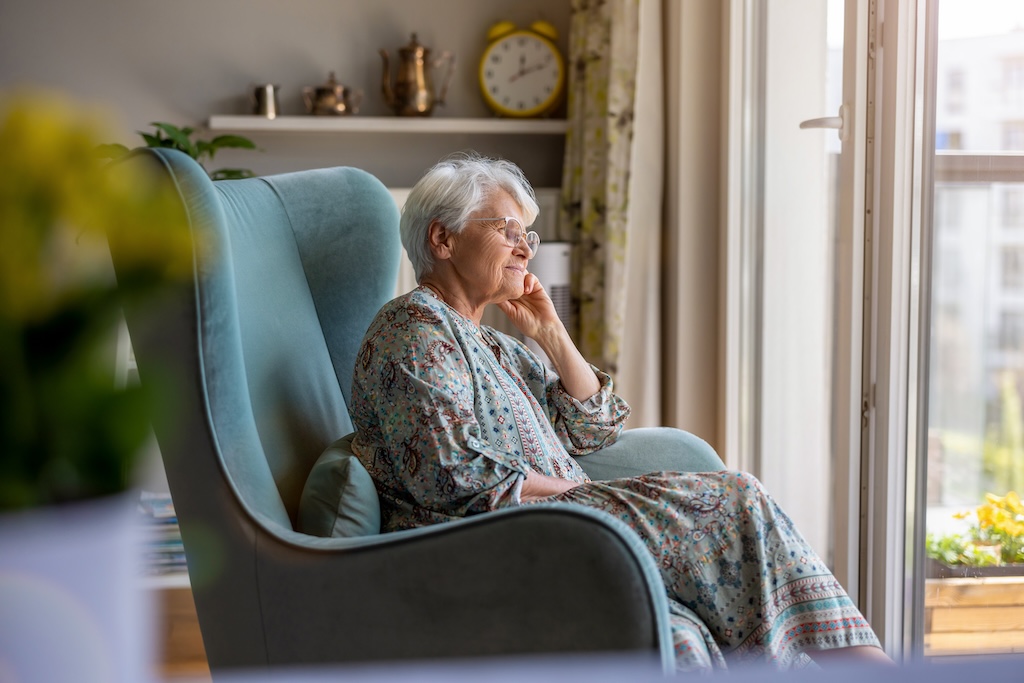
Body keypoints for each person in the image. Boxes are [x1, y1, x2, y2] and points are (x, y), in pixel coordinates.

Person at [349, 151, 892, 671]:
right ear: (443, 238)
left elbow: (594, 429)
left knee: (678, 630)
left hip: (561, 526)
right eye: (507, 231)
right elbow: (453, 476)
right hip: (494, 542)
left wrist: (552, 335)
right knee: (737, 498)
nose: (525, 250)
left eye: (527, 237)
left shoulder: (496, 345)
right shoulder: (414, 330)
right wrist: (587, 493)